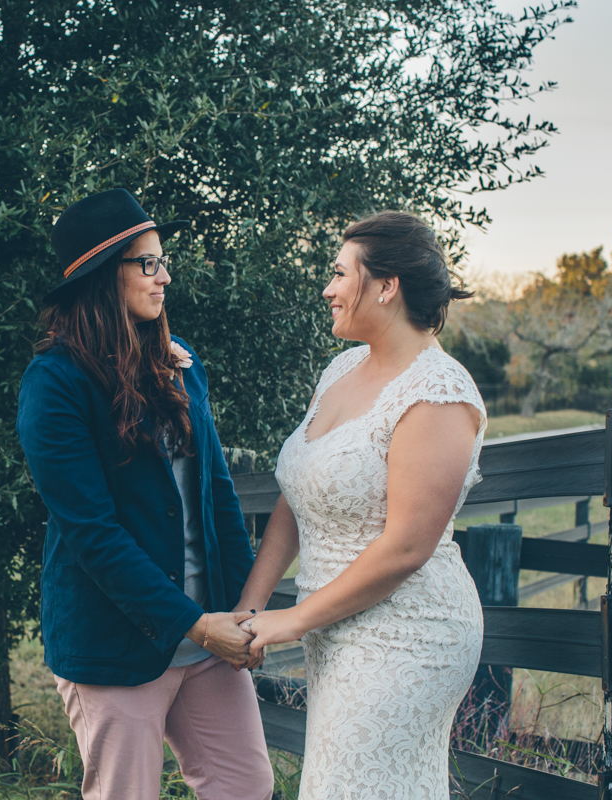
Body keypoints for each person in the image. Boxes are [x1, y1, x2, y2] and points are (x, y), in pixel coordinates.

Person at [16, 188, 274, 800]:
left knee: (246, 786)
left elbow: (216, 493)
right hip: (114, 641)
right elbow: (92, 534)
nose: (165, 276)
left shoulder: (184, 366)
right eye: (149, 263)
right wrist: (194, 623)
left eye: (163, 261)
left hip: (209, 631)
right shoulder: (54, 384)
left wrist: (242, 612)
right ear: (107, 275)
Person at [233, 211, 486, 799]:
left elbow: (406, 546)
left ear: (386, 285)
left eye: (340, 273)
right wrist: (253, 608)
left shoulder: (438, 393)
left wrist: (290, 621)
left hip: (408, 633)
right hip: (332, 629)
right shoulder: (341, 369)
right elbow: (297, 498)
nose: (328, 288)